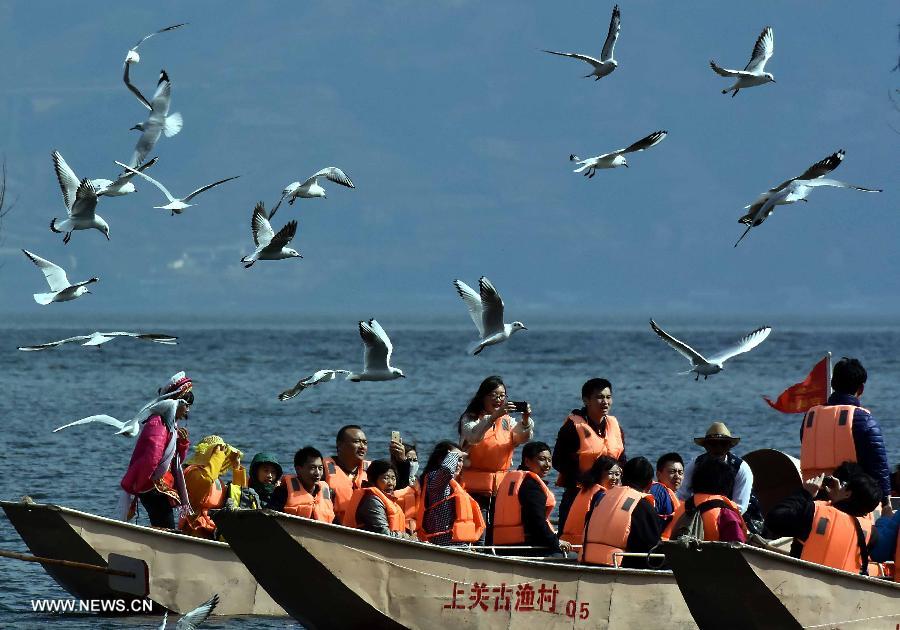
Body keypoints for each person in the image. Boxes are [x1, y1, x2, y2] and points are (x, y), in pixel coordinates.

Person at [800, 357, 891, 512]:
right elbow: (879, 466)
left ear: (833, 384)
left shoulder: (810, 417)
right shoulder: (864, 420)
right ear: (861, 389)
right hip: (851, 502)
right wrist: (886, 503)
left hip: (814, 499)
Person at [457, 376, 534, 540]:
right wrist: (492, 417)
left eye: (502, 395)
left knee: (497, 530)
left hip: (501, 488)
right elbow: (474, 437)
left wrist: (526, 421)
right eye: (494, 395)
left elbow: (521, 438)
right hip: (474, 489)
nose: (499, 399)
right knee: (479, 531)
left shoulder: (507, 421)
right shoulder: (470, 418)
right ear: (482, 397)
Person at [765, 468, 881, 574]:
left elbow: (773, 520)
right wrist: (836, 501)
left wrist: (805, 494)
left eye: (844, 485)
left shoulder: (813, 512)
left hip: (800, 582)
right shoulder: (871, 534)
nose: (840, 486)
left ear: (848, 493)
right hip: (839, 593)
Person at [119, 371, 194, 528]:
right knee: (165, 523)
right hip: (151, 485)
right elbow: (151, 456)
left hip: (155, 484)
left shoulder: (170, 425)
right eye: (186, 403)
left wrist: (182, 444)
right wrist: (145, 483)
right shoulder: (158, 424)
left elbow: (175, 461)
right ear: (175, 402)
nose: (188, 409)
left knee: (163, 522)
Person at [552, 378, 626, 532]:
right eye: (599, 397)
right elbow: (558, 461)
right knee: (572, 538)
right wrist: (587, 480)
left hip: (610, 495)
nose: (605, 402)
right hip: (579, 494)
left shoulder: (615, 425)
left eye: (608, 397)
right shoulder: (573, 427)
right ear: (586, 400)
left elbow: (622, 460)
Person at [493, 441, 573, 557]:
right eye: (542, 459)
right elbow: (536, 522)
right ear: (527, 461)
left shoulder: (509, 481)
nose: (547, 465)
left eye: (549, 460)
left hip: (502, 545)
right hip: (525, 547)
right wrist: (555, 542)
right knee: (573, 557)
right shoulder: (531, 486)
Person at [581, 457, 660, 569]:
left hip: (586, 561)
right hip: (618, 565)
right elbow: (652, 549)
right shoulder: (643, 506)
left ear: (622, 478)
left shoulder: (602, 497)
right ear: (649, 485)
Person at [678, 423, 755, 519]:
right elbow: (681, 496)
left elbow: (740, 507)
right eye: (713, 444)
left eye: (723, 444)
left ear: (729, 446)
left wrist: (716, 517)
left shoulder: (741, 468)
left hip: (733, 518)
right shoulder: (695, 465)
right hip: (698, 516)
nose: (718, 448)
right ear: (705, 446)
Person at [663, 457, 747, 543]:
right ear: (727, 482)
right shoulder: (726, 513)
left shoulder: (681, 507)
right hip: (713, 555)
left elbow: (666, 539)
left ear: (695, 481)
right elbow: (738, 546)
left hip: (679, 555)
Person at [417, 440, 485, 546]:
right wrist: (454, 454)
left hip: (461, 545)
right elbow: (446, 471)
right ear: (441, 460)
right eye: (455, 459)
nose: (458, 464)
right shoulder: (434, 479)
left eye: (460, 460)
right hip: (443, 545)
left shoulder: (457, 485)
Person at [180, 435, 245, 538]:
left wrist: (236, 468)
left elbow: (240, 495)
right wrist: (218, 456)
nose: (220, 455)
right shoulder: (193, 472)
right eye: (217, 452)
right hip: (194, 528)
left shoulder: (217, 480)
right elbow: (206, 480)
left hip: (214, 528)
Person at [343, 460, 414, 539]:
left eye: (393, 478)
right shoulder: (372, 501)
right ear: (373, 480)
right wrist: (407, 537)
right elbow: (383, 534)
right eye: (386, 478)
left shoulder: (386, 500)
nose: (391, 483)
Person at [559, 455, 621, 545]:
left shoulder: (587, 488)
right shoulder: (600, 495)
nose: (614, 478)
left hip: (570, 541)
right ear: (599, 474)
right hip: (581, 544)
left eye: (617, 474)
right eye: (610, 473)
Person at [271, 446, 335, 523]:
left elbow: (336, 522)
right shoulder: (283, 492)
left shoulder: (328, 492)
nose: (317, 473)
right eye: (312, 468)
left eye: (320, 468)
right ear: (298, 469)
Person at [323, 425, 371, 523]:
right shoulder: (322, 469)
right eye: (357, 442)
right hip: (333, 526)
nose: (362, 446)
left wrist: (400, 463)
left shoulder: (372, 470)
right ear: (340, 445)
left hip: (365, 527)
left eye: (365, 443)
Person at [650, 452, 684, 524]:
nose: (677, 476)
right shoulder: (657, 492)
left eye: (680, 473)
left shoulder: (675, 497)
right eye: (672, 472)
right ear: (658, 475)